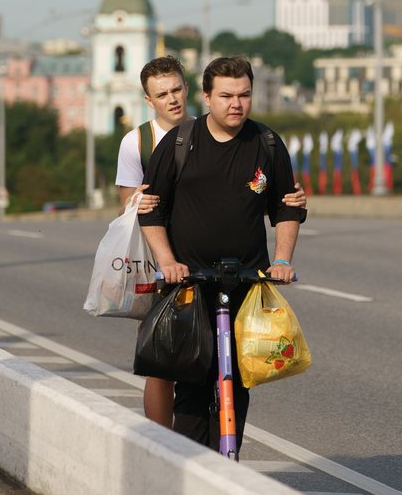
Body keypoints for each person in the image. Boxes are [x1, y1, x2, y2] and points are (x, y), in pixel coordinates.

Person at [114, 55, 306, 429]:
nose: (236, 104)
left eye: (244, 95)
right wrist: (168, 261)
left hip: (247, 283)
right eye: (226, 96)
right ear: (206, 96)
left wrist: (281, 260)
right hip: (189, 283)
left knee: (238, 378)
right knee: (187, 384)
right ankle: (182, 466)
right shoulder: (178, 143)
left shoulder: (266, 142)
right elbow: (149, 210)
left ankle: (225, 466)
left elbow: (286, 207)